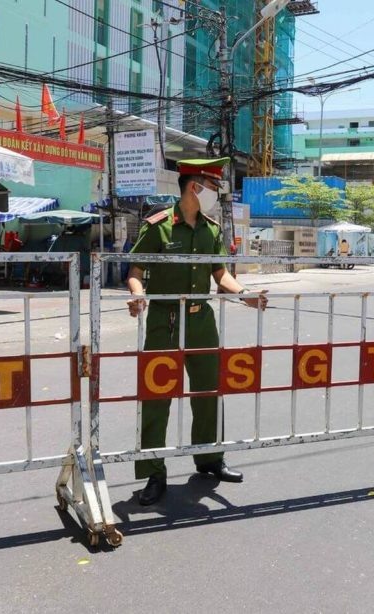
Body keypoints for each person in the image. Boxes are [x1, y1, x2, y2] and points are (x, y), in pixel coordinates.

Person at [126, 157, 268, 506]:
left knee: (208, 392)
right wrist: (137, 294)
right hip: (164, 321)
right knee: (156, 397)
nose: (217, 193)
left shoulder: (211, 229)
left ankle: (209, 459)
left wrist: (244, 296)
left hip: (201, 321)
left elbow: (221, 275)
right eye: (214, 186)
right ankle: (154, 472)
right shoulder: (158, 227)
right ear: (196, 186)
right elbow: (136, 269)